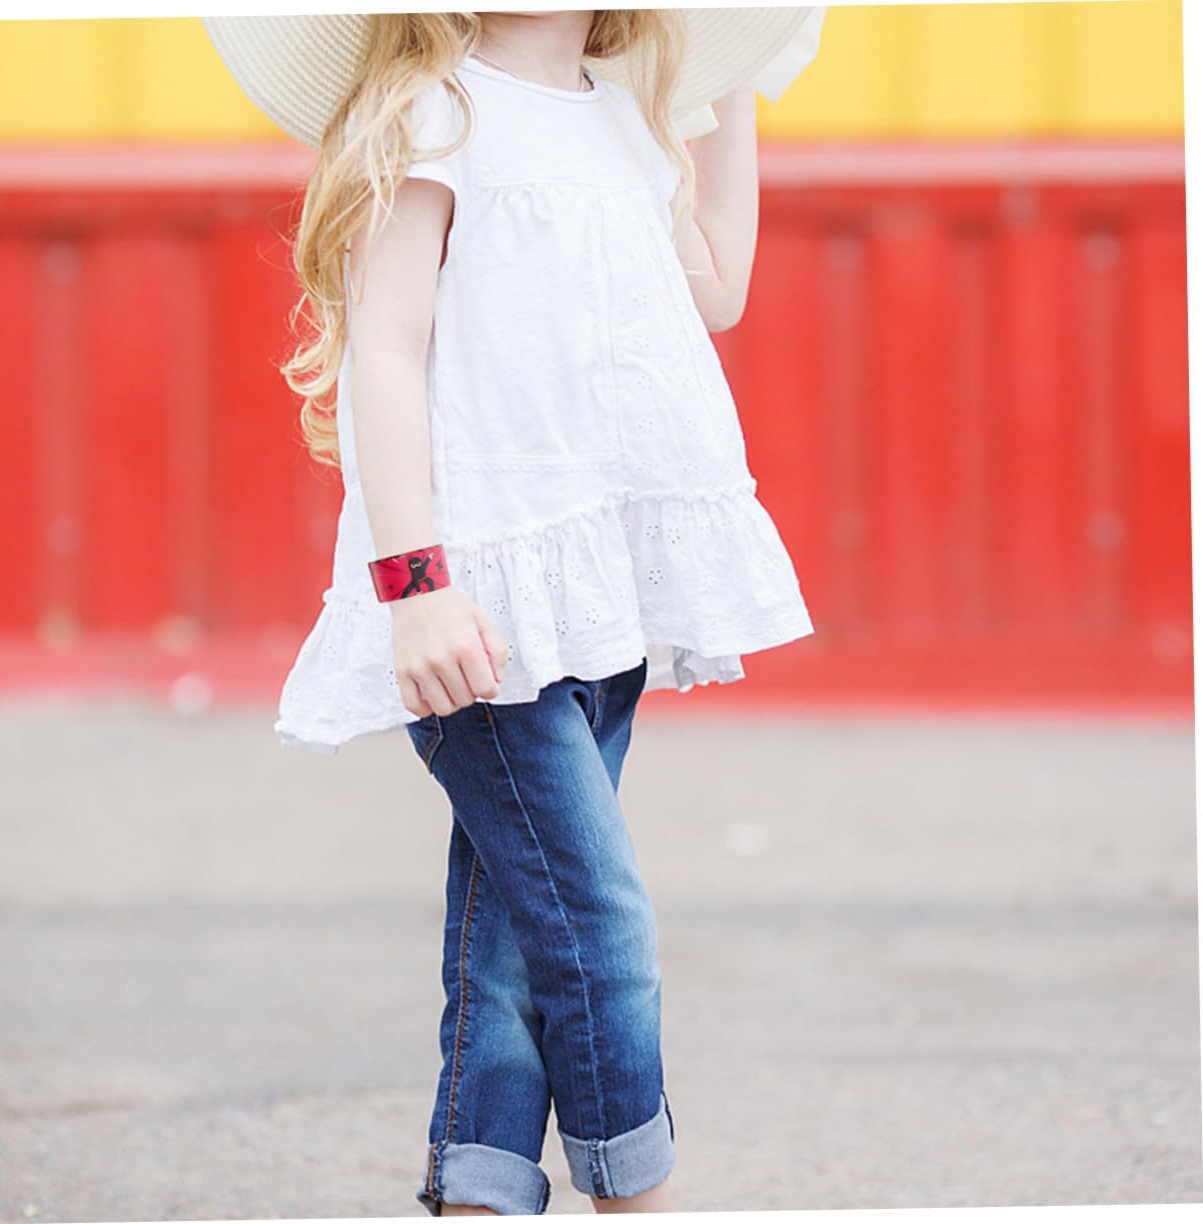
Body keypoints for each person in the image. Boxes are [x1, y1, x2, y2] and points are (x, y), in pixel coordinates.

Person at [203, 6, 823, 1216]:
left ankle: (480, 1189)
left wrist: (737, 68)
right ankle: (635, 1192)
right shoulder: (435, 114)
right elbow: (386, 347)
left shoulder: (628, 123)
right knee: (599, 923)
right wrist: (416, 586)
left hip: (597, 588)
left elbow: (718, 287)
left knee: (512, 941)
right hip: (478, 606)